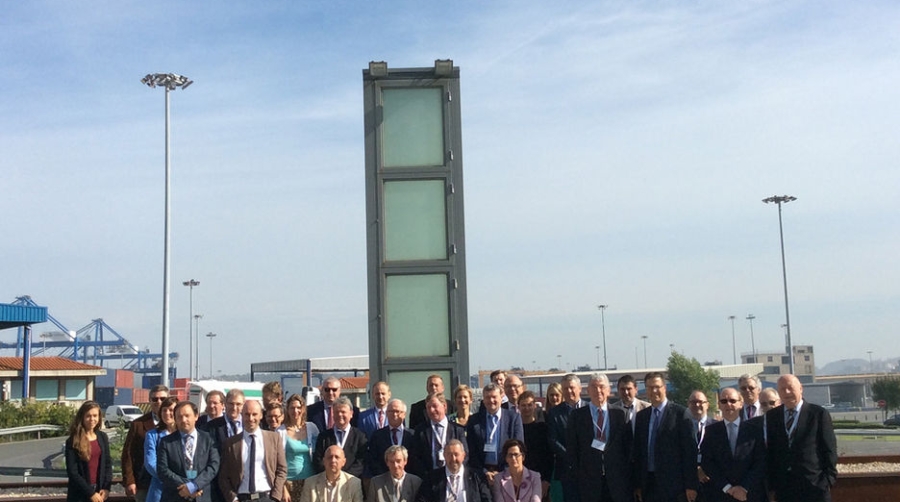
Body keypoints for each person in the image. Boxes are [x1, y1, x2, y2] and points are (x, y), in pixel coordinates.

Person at [765, 374, 837, 502]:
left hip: (814, 488)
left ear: (801, 389)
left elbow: (829, 450)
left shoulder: (818, 414)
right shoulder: (772, 416)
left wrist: (827, 481)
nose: (786, 392)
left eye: (790, 388)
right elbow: (771, 452)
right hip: (784, 490)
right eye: (782, 389)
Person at [633, 372, 698, 502]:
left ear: (665, 388)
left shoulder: (681, 414)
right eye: (650, 387)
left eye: (657, 386)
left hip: (674, 486)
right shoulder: (641, 417)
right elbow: (639, 453)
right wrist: (638, 484)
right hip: (648, 485)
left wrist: (691, 485)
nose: (654, 391)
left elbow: (689, 452)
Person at [567, 373, 632, 502]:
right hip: (589, 482)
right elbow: (572, 449)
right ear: (587, 390)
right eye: (594, 387)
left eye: (602, 387)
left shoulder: (620, 414)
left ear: (608, 390)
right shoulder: (577, 416)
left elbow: (628, 448)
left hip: (617, 482)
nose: (598, 391)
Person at [700, 388, 766, 502]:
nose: (728, 404)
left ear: (741, 404)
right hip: (720, 494)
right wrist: (728, 488)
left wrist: (744, 487)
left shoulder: (754, 431)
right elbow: (708, 463)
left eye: (732, 400)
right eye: (724, 401)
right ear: (719, 405)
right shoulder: (711, 431)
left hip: (749, 494)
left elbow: (760, 461)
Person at [218, 400, 288, 502]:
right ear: (242, 415)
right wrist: (232, 498)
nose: (251, 418)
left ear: (261, 415)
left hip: (267, 497)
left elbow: (282, 469)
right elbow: (223, 476)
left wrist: (276, 496)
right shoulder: (231, 443)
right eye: (247, 414)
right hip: (242, 498)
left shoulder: (274, 439)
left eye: (254, 414)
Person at [157, 401, 221, 502]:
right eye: (179, 417)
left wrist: (195, 485)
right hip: (175, 496)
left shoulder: (209, 439)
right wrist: (187, 487)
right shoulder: (166, 442)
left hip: (203, 496)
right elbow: (162, 470)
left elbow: (213, 466)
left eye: (187, 416)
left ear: (196, 416)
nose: (183, 420)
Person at [466, 383, 524, 483]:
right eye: (487, 397)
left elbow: (518, 447)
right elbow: (472, 450)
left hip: (508, 473)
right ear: (483, 400)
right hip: (482, 475)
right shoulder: (474, 420)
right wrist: (484, 472)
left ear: (501, 398)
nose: (491, 400)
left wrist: (504, 472)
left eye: (494, 397)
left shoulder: (513, 418)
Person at [123, 384, 169, 502]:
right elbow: (128, 454)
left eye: (162, 399)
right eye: (154, 399)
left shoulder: (177, 424)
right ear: (149, 401)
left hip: (172, 483)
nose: (158, 402)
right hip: (144, 483)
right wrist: (130, 481)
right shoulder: (138, 424)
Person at [547, 374, 585, 502]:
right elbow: (553, 440)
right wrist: (571, 456)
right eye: (565, 389)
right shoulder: (554, 413)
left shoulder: (590, 409)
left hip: (589, 468)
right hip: (567, 470)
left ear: (579, 388)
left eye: (572, 387)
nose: (569, 391)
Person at [410, 392, 467, 478]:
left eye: (434, 406)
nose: (432, 410)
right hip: (429, 478)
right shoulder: (420, 430)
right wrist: (427, 476)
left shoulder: (458, 430)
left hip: (453, 476)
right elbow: (416, 457)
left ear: (444, 406)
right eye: (428, 407)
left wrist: (454, 472)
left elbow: (465, 454)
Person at [415, 439, 491, 502]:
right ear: (444, 455)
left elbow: (487, 500)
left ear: (463, 455)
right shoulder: (432, 478)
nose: (453, 459)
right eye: (449, 454)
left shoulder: (477, 477)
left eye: (456, 454)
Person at [65, 401, 112, 502]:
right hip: (80, 494)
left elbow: (107, 464)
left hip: (100, 492)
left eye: (95, 416)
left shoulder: (102, 437)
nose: (92, 419)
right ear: (82, 417)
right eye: (88, 416)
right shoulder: (73, 440)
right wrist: (90, 493)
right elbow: (73, 472)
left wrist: (106, 488)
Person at [313, 397, 368, 478]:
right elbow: (318, 460)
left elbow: (361, 461)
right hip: (327, 481)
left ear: (351, 414)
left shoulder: (360, 436)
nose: (340, 415)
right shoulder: (324, 437)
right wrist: (331, 475)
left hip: (351, 482)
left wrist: (343, 477)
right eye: (337, 412)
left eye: (343, 412)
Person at [283, 394, 320, 502]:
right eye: (292, 408)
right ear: (287, 410)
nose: (295, 411)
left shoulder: (312, 428)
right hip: (289, 482)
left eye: (298, 407)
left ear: (303, 409)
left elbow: (318, 453)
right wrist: (283, 487)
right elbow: (276, 462)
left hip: (310, 480)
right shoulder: (280, 431)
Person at [367, 399, 416, 478]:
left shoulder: (413, 435)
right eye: (391, 411)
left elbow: (416, 460)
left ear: (404, 414)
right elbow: (373, 460)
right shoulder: (377, 435)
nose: (394, 414)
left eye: (397, 411)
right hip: (384, 480)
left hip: (408, 480)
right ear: (386, 413)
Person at [145, 397, 179, 502]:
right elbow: (150, 463)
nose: (167, 413)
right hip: (160, 490)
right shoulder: (152, 435)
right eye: (164, 410)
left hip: (183, 490)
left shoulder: (185, 435)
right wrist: (172, 479)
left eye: (171, 410)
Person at [518, 391, 552, 499]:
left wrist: (546, 480)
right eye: (523, 405)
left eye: (529, 405)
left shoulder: (542, 428)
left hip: (541, 478)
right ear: (518, 407)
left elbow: (549, 456)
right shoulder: (516, 429)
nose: (526, 408)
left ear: (534, 406)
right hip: (520, 477)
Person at [687, 390, 715, 491]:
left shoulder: (717, 427)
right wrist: (696, 469)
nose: (697, 404)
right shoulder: (681, 427)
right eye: (693, 402)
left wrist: (705, 469)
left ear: (707, 404)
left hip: (712, 480)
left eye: (700, 402)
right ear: (688, 405)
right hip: (688, 481)